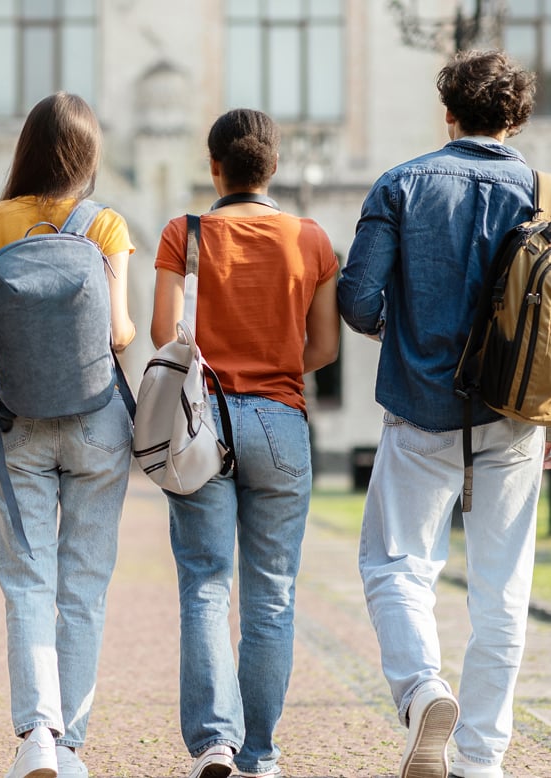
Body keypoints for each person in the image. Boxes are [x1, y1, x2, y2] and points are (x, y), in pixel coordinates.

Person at [338, 50, 546, 778]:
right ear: (515, 117)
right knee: (502, 588)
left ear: (448, 111)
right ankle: (482, 759)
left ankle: (423, 687)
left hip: (421, 406)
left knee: (396, 565)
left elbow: (358, 300)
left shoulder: (402, 184)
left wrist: (406, 326)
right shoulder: (541, 194)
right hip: (516, 414)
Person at [150, 108, 340, 778]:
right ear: (274, 166)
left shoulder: (185, 232)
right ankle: (260, 753)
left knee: (205, 584)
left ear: (214, 166)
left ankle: (215, 745)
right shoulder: (310, 238)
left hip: (204, 425)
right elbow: (324, 346)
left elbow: (162, 334)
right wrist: (273, 361)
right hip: (282, 420)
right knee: (272, 593)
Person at [0, 91, 136, 778]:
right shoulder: (107, 226)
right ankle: (71, 745)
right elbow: (121, 332)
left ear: (24, 149)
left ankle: (36, 733)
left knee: (28, 582)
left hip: (16, 419)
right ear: (89, 156)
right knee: (83, 586)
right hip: (97, 422)